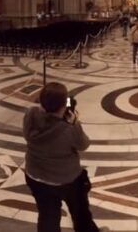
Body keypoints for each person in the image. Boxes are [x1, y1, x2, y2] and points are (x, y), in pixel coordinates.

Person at [23, 82, 107, 232]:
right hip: (66, 179)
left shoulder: (30, 114)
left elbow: (45, 115)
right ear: (63, 106)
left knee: (48, 216)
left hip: (35, 175)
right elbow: (83, 144)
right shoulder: (68, 129)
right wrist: (75, 123)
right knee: (80, 212)